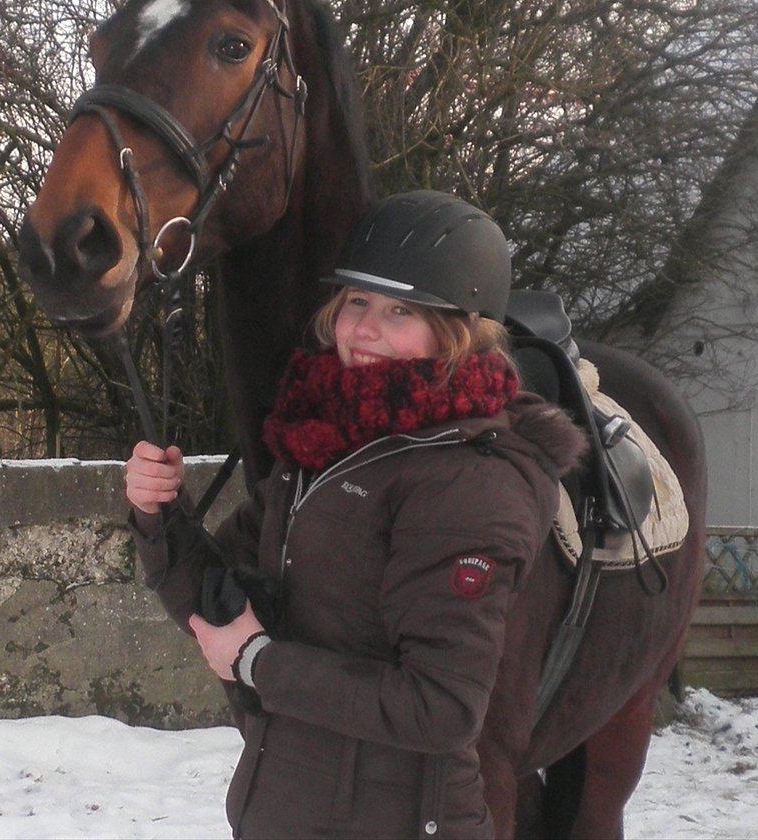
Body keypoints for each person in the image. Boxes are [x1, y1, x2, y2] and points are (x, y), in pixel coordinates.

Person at [125, 190, 587, 840]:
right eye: (357, 303)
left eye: (400, 310)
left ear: (457, 330)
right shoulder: (323, 447)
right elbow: (216, 604)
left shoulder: (470, 483)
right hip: (285, 813)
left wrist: (261, 662)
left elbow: (441, 706)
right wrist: (157, 516)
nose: (365, 328)